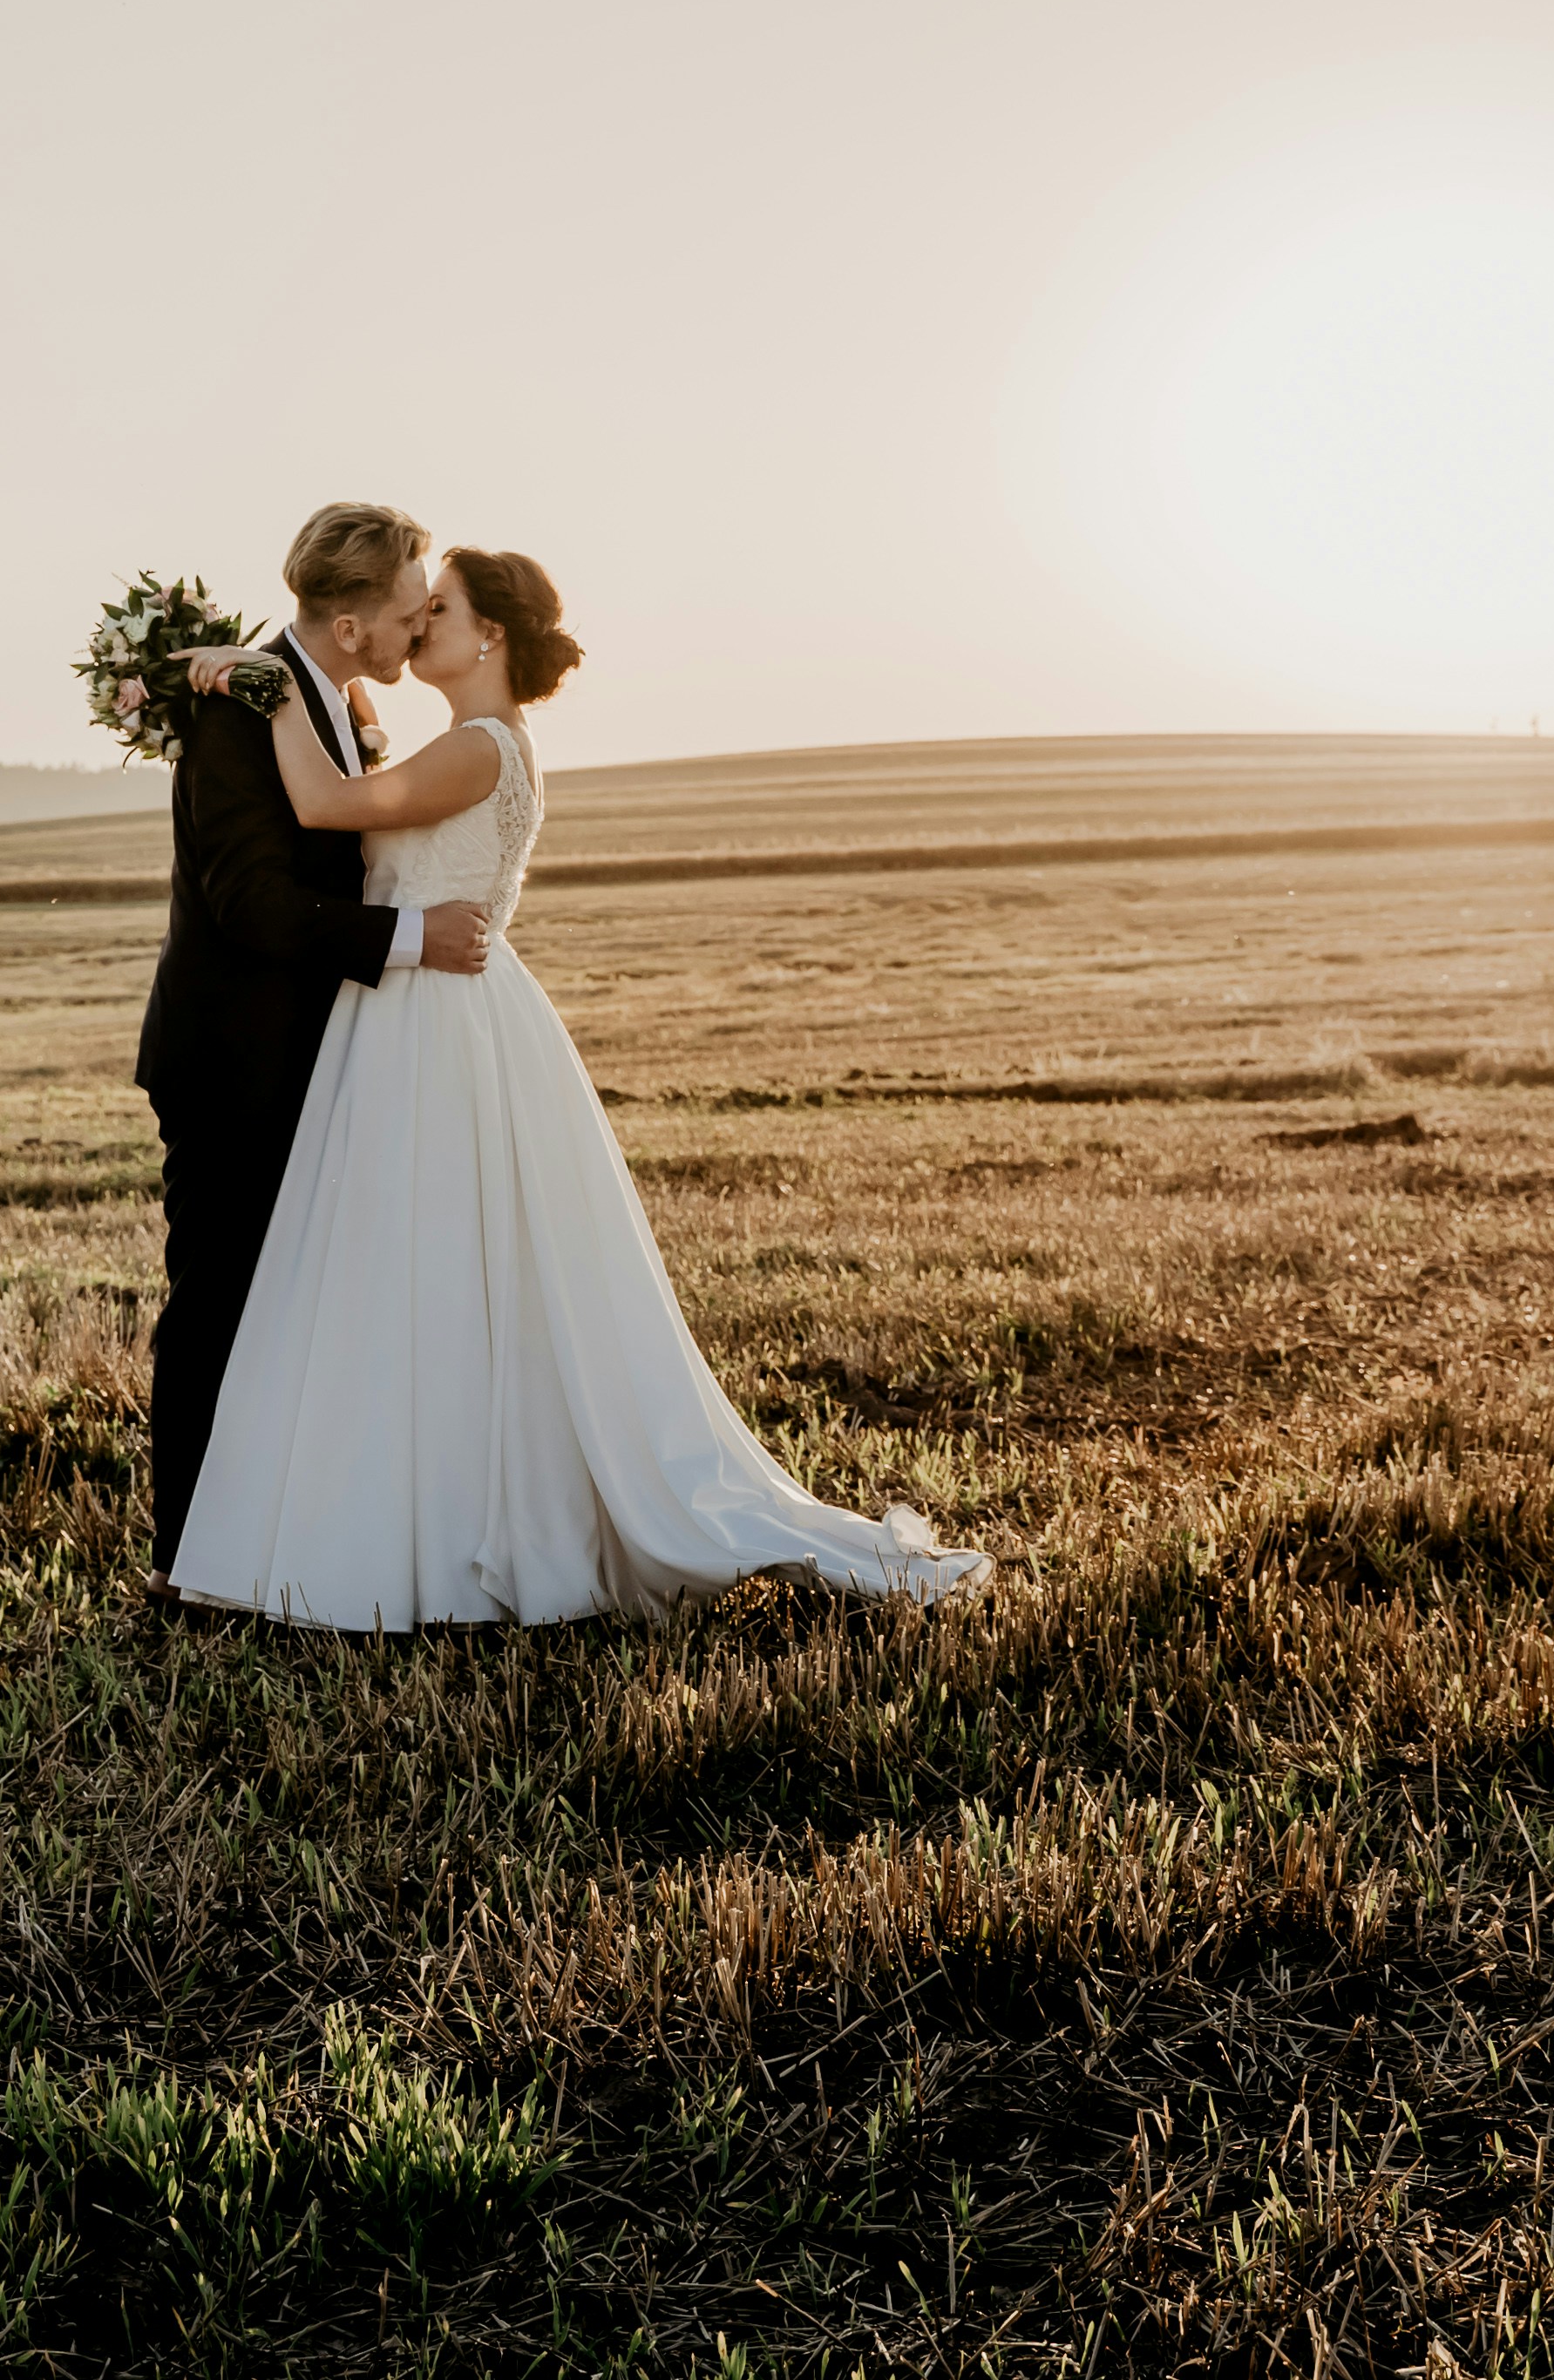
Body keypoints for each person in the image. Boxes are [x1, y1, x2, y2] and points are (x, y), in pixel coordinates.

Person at [167, 545, 988, 1628]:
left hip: (439, 1024)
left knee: (440, 1263)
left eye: (440, 610)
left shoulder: (478, 749)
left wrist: (267, 688)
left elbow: (324, 810)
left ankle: (435, 1527)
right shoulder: (466, 743)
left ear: (490, 636)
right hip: (415, 1014)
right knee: (429, 1270)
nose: (418, 625)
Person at [132, 503, 493, 1589]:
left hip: (316, 1057)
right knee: (219, 1306)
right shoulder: (241, 709)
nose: (417, 622)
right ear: (349, 629)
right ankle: (187, 1563)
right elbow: (249, 902)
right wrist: (410, 937)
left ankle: (274, 1540)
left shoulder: (330, 699)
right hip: (234, 1062)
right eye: (404, 608)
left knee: (296, 1306)